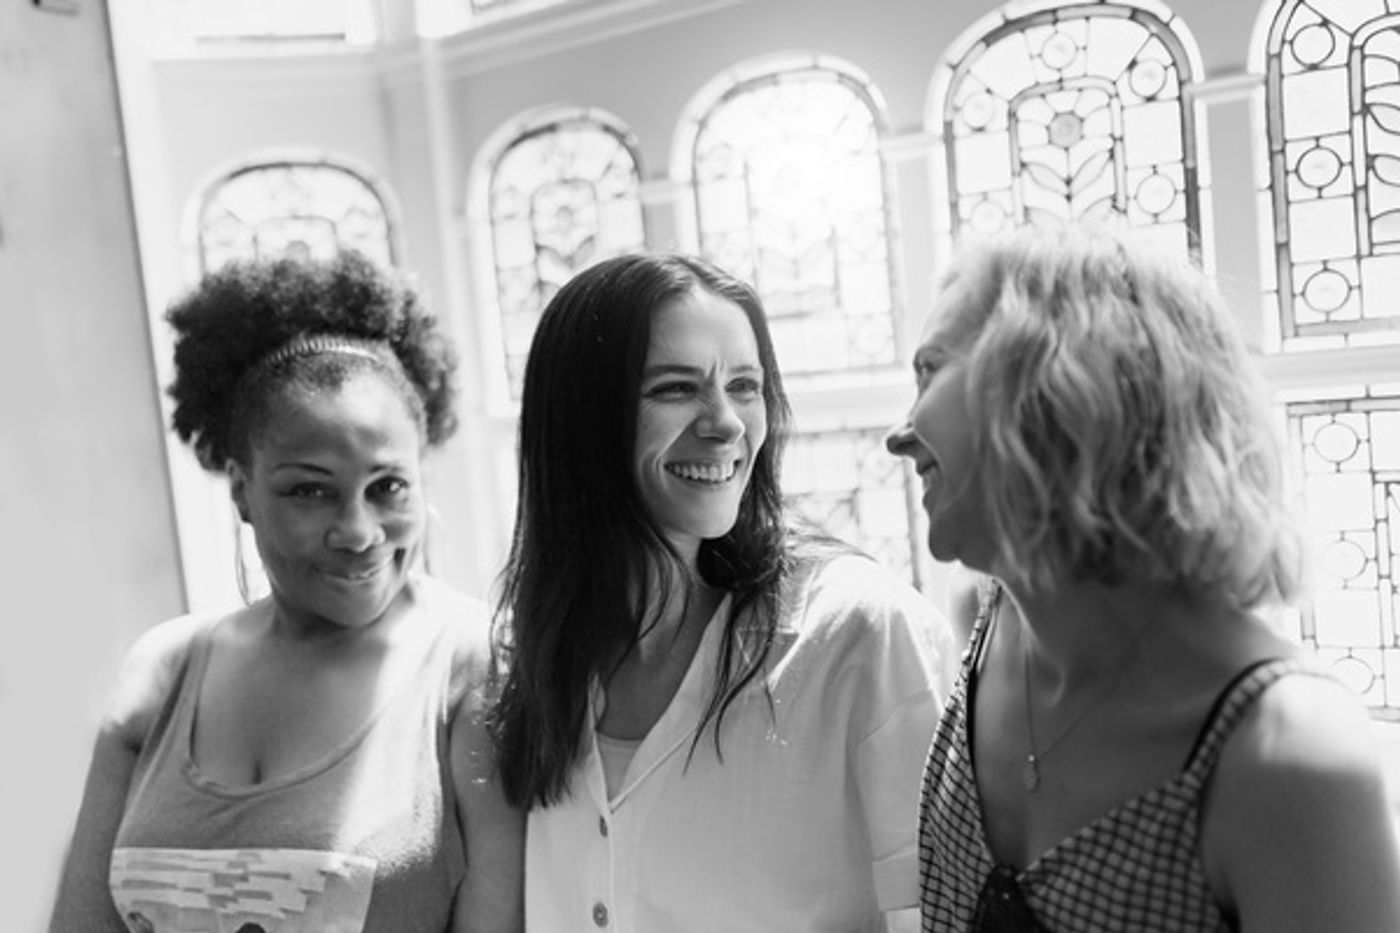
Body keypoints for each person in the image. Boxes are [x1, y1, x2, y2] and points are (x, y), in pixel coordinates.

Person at [885, 221, 1400, 932]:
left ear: (1050, 383)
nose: (899, 432)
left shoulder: (1292, 755)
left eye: (929, 370)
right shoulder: (988, 614)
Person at [48, 252, 523, 933]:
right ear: (241, 487)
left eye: (387, 486)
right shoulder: (164, 669)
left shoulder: (474, 668)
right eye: (310, 489)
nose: (358, 531)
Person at [489, 252, 956, 931]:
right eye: (676, 388)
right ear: (580, 420)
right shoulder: (524, 663)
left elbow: (939, 915)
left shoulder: (862, 633)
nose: (727, 422)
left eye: (745, 385)